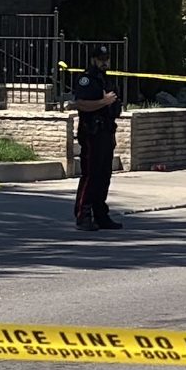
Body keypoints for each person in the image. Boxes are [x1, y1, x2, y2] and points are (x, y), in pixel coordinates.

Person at [71, 45, 122, 231]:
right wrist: (103, 102)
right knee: (90, 174)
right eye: (101, 59)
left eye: (107, 59)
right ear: (93, 60)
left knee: (104, 175)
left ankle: (101, 214)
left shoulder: (106, 79)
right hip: (91, 132)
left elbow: (114, 103)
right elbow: (81, 104)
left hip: (106, 131)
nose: (105, 62)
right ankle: (83, 214)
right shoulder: (86, 79)